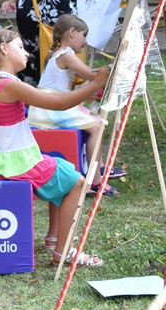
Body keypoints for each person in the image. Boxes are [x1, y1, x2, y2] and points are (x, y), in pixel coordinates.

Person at [0, 29, 109, 267]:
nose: (27, 52)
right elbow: (59, 103)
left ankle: (54, 238)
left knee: (62, 168)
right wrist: (96, 83)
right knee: (78, 183)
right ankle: (63, 251)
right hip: (13, 163)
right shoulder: (9, 84)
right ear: (4, 49)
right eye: (20, 47)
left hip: (0, 159)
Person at [26, 15, 124, 196]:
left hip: (48, 104)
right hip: (51, 108)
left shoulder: (54, 52)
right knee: (95, 127)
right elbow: (91, 76)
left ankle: (99, 167)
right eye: (84, 35)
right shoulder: (67, 55)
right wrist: (112, 67)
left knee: (94, 120)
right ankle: (95, 181)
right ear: (72, 32)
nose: (85, 41)